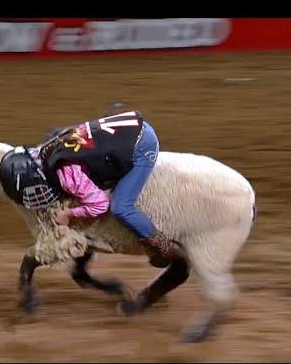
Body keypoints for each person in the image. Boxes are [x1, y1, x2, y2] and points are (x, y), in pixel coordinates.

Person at [34, 103, 185, 267]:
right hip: (131, 129)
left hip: (143, 145)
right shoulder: (50, 147)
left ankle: (165, 249)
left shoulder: (68, 176)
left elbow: (100, 205)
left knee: (121, 207)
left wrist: (69, 214)